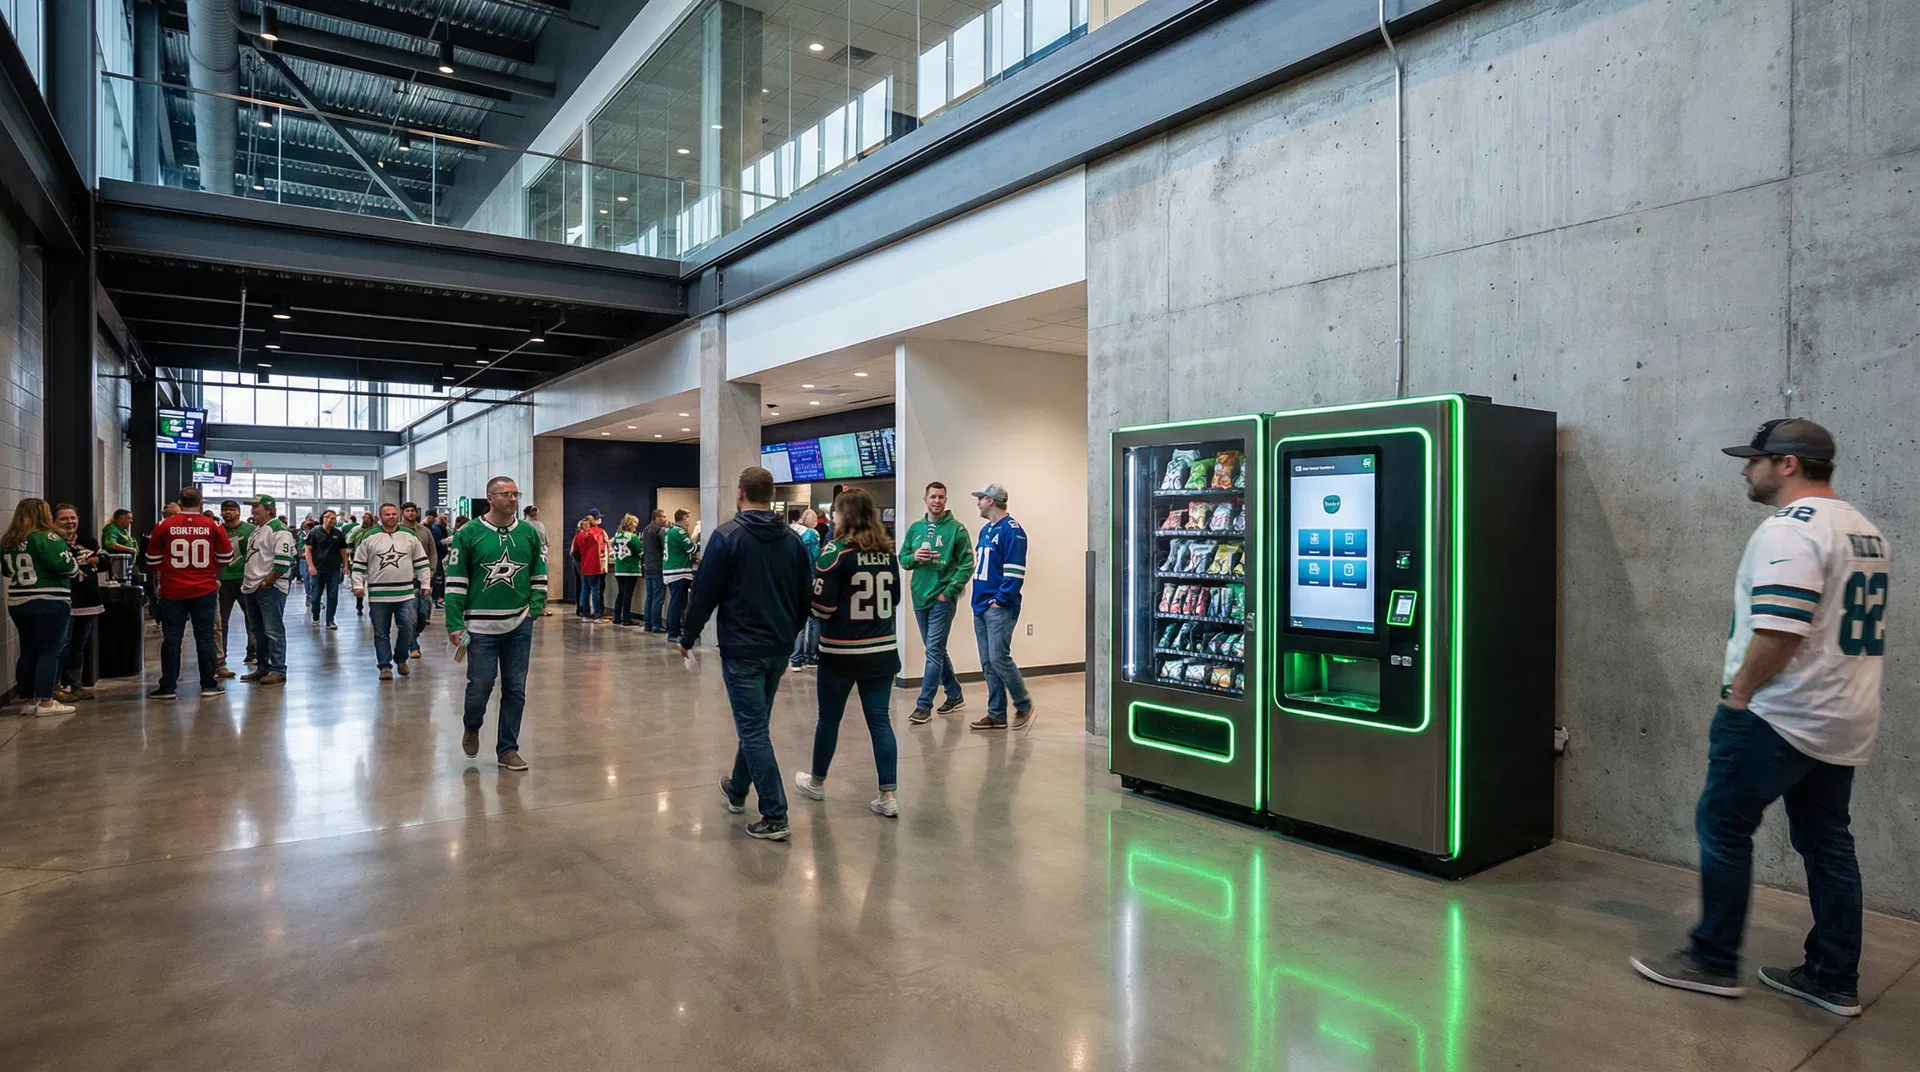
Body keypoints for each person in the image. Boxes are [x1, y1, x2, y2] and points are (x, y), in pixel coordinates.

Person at [1632, 419, 1887, 1018]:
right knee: (1828, 842)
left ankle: (1712, 959)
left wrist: (1740, 693)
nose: (1747, 469)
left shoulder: (1789, 532)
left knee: (1723, 825)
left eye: (1756, 460)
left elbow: (1780, 629)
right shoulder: (1865, 529)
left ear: (1788, 465)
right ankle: (1831, 975)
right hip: (1843, 715)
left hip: (1781, 713)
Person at [678, 467, 812, 842]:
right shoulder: (793, 540)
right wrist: (791, 632)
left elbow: (705, 592)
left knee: (753, 728)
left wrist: (688, 634)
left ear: (740, 494)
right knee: (756, 723)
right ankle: (738, 788)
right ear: (769, 496)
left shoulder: (726, 537)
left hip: (741, 649)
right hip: (778, 647)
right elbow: (805, 596)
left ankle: (775, 814)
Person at [792, 488, 903, 818]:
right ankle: (888, 795)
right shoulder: (887, 554)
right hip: (882, 651)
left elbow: (822, 608)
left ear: (845, 516)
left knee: (828, 720)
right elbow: (894, 600)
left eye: (837, 512)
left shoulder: (835, 554)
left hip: (840, 653)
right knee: (880, 722)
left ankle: (817, 782)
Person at [444, 476, 547, 772]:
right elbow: (455, 582)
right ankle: (472, 725)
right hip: (479, 628)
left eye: (516, 494)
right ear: (490, 498)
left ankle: (508, 749)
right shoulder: (469, 534)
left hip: (519, 623)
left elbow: (539, 574)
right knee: (481, 684)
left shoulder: (529, 533)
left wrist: (534, 609)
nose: (512, 499)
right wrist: (454, 622)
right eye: (505, 494)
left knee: (516, 687)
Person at [143, 485, 234, 700]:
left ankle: (168, 686)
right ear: (200, 502)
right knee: (205, 638)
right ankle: (209, 685)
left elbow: (151, 560)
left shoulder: (164, 525)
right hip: (204, 589)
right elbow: (226, 558)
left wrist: (171, 569)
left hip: (173, 591)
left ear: (180, 502)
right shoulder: (213, 525)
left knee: (172, 639)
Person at [902, 481, 973, 724]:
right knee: (937, 651)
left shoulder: (957, 529)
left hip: (942, 599)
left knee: (932, 652)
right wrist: (914, 556)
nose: (937, 501)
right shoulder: (915, 528)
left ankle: (924, 705)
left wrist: (950, 591)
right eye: (933, 496)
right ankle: (954, 693)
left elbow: (967, 564)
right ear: (925, 499)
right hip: (919, 596)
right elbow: (903, 558)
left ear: (945, 500)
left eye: (941, 497)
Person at [2, 498, 80, 715]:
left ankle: (28, 700)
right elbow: (65, 566)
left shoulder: (9, 540)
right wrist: (75, 567)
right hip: (49, 600)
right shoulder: (48, 536)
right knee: (50, 651)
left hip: (18, 601)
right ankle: (46, 701)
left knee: (28, 650)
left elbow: (6, 571)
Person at [968, 483, 1033, 731]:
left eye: (981, 499)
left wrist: (1001, 599)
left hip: (998, 606)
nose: (978, 503)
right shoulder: (986, 530)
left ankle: (1023, 703)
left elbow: (1015, 573)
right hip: (981, 605)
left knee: (998, 657)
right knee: (987, 662)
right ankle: (996, 714)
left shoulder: (1012, 531)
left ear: (992, 501)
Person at [351, 504, 433, 681]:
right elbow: (358, 564)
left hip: (406, 593)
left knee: (409, 626)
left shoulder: (409, 536)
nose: (391, 517)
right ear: (379, 517)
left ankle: (401, 658)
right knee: (381, 632)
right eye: (387, 514)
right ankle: (385, 666)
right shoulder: (370, 536)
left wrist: (426, 583)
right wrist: (358, 585)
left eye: (394, 514)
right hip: (379, 594)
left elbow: (422, 562)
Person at [240, 495, 296, 686]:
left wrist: (268, 581)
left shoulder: (279, 530)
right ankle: (263, 667)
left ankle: (278, 669)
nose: (253, 510)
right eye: (253, 507)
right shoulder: (258, 530)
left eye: (257, 507)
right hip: (252, 587)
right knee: (258, 630)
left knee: (273, 630)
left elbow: (283, 562)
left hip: (269, 588)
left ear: (269, 509)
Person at [52, 505, 104, 703]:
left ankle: (76, 685)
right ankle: (55, 686)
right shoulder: (53, 542)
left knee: (78, 647)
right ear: (54, 521)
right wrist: (87, 560)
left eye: (73, 518)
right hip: (65, 602)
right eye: (64, 518)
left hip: (89, 601)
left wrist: (94, 559)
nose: (70, 522)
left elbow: (104, 561)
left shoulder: (87, 540)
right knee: (60, 646)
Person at [214, 499, 256, 679]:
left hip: (244, 579)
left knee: (252, 618)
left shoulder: (249, 530)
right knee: (221, 622)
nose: (228, 513)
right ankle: (221, 660)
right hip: (223, 580)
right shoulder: (217, 530)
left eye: (231, 509)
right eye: (225, 510)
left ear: (238, 512)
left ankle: (252, 654)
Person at [400, 502, 439, 648]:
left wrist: (432, 569)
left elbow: (433, 552)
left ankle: (414, 635)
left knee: (424, 611)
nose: (411, 513)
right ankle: (413, 645)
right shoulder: (397, 530)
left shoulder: (424, 531)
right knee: (410, 612)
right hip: (405, 578)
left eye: (413, 511)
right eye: (408, 511)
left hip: (424, 577)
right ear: (402, 512)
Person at [304, 509, 349, 629]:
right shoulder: (314, 532)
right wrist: (310, 566)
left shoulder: (338, 533)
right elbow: (307, 549)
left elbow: (343, 551)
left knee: (333, 595)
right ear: (323, 518)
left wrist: (345, 565)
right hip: (317, 570)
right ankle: (316, 615)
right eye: (328, 517)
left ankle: (330, 620)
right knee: (315, 595)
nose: (331, 519)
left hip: (334, 570)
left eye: (333, 518)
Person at [789, 509, 822, 669]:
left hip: (792, 581)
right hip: (810, 579)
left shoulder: (789, 531)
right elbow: (816, 557)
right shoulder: (812, 534)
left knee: (798, 620)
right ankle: (811, 657)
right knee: (813, 618)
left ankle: (795, 659)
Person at [662, 509, 697, 644]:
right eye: (687, 517)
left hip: (670, 571)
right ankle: (673, 632)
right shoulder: (680, 532)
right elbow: (691, 549)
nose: (689, 520)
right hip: (679, 572)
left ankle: (674, 629)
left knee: (676, 602)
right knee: (677, 603)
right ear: (683, 518)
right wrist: (700, 540)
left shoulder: (669, 532)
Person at [572, 511, 611, 623]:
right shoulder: (599, 532)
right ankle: (597, 615)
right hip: (595, 565)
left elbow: (576, 550)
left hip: (584, 565)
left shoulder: (579, 535)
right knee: (596, 590)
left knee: (585, 590)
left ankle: (585, 614)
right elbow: (603, 549)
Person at [609, 513, 645, 626]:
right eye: (635, 524)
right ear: (631, 525)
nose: (636, 526)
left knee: (621, 593)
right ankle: (626, 618)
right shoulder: (633, 538)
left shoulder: (617, 537)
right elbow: (641, 552)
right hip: (631, 569)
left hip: (619, 568)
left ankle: (616, 616)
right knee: (628, 595)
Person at [522, 506, 553, 618]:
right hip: (541, 557)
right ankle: (541, 607)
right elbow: (546, 542)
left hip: (524, 558)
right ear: (534, 514)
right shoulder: (540, 526)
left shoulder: (521, 525)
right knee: (541, 581)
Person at [640, 508, 668, 632]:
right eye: (663, 517)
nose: (665, 519)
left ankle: (647, 624)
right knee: (658, 597)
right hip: (658, 567)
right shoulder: (659, 530)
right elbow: (664, 546)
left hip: (648, 567)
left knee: (649, 596)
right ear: (657, 518)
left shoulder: (646, 530)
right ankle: (656, 624)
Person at [347, 510, 377, 617]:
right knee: (359, 584)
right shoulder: (356, 530)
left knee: (373, 584)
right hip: (358, 559)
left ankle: (374, 606)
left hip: (373, 560)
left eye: (367, 517)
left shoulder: (375, 530)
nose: (365, 519)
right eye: (363, 517)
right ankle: (359, 606)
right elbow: (349, 542)